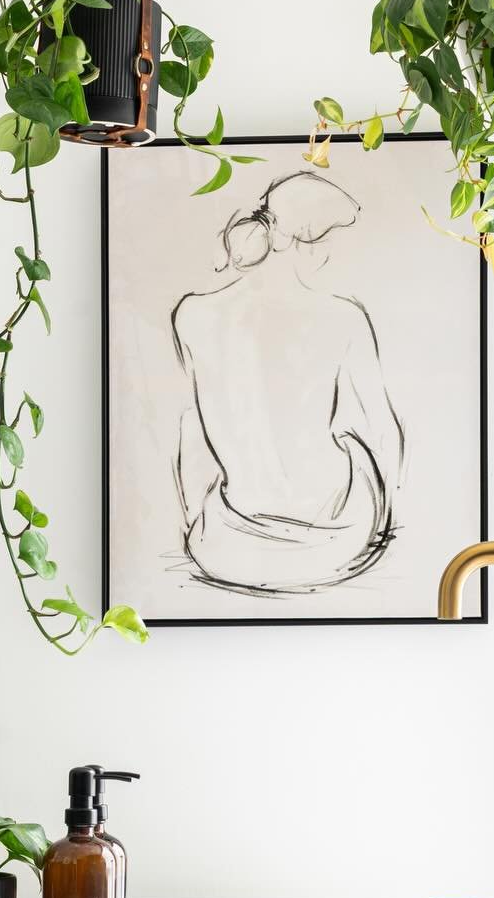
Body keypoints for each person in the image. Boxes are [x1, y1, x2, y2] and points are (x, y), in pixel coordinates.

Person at [170, 170, 405, 596]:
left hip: (226, 545)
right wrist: (381, 518)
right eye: (332, 238)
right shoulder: (344, 316)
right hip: (331, 542)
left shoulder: (191, 314)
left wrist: (196, 521)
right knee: (355, 442)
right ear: (306, 244)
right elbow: (383, 432)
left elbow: (192, 431)